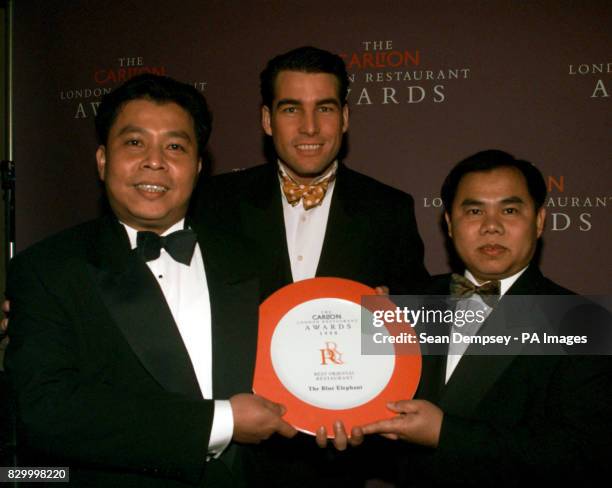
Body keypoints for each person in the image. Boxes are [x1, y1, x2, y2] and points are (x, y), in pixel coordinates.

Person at [5, 74, 296, 487]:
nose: (154, 161)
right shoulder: (47, 270)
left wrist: (373, 334)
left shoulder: (250, 259)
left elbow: (302, 356)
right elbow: (47, 411)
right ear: (103, 160)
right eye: (135, 142)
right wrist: (223, 421)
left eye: (175, 146)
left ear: (198, 167)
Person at [193, 46, 429, 486]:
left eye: (324, 108)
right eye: (290, 109)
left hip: (340, 457)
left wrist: (391, 326)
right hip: (235, 456)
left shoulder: (388, 208)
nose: (309, 127)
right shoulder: (214, 202)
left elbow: (413, 327)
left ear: (344, 117)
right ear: (266, 120)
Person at [358, 150, 612, 486]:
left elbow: (585, 456)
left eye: (509, 210)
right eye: (475, 211)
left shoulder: (583, 320)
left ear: (538, 221)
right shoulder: (404, 307)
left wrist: (447, 434)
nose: (491, 226)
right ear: (449, 223)